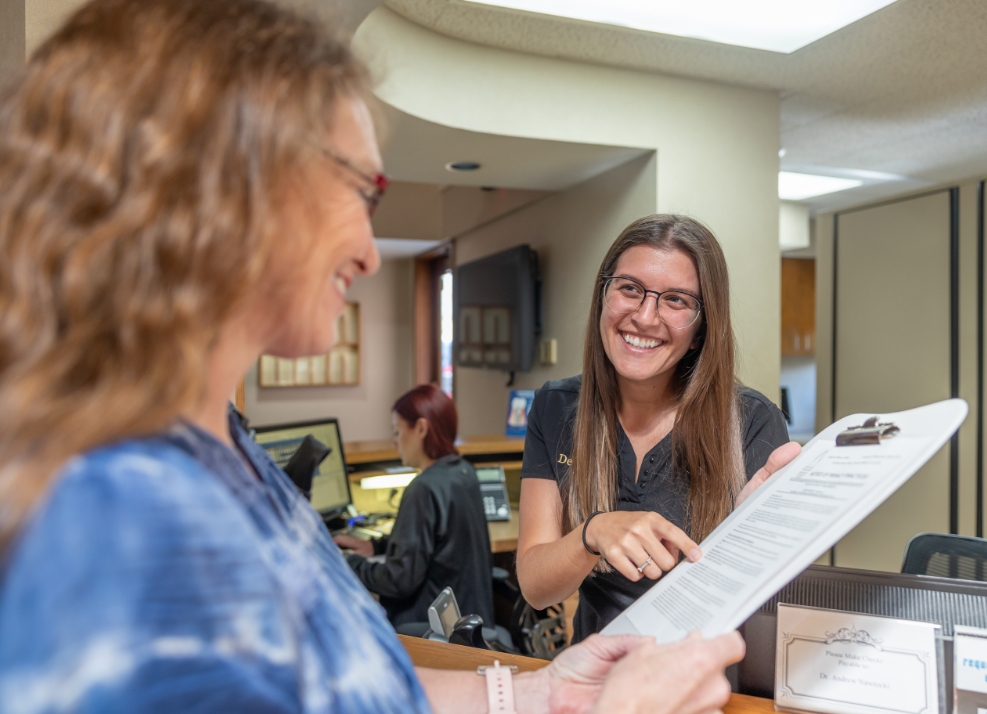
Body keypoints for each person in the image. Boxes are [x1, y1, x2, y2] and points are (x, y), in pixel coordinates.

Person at [0, 1, 746, 712]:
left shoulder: (222, 447)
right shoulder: (110, 519)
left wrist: (536, 696)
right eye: (360, 191)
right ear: (223, 186)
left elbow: (340, 687)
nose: (366, 250)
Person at [517, 215, 802, 643]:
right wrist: (592, 532)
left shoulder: (753, 422)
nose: (645, 317)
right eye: (629, 289)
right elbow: (537, 588)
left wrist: (737, 541)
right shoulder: (556, 408)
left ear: (702, 326)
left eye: (676, 300)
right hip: (598, 681)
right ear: (603, 295)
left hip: (703, 684)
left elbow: (771, 608)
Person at [334, 385, 495, 633]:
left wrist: (349, 562)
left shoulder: (423, 489)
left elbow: (399, 580)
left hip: (432, 628)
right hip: (468, 619)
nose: (395, 441)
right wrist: (375, 547)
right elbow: (435, 544)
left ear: (420, 428)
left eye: (397, 432)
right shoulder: (464, 472)